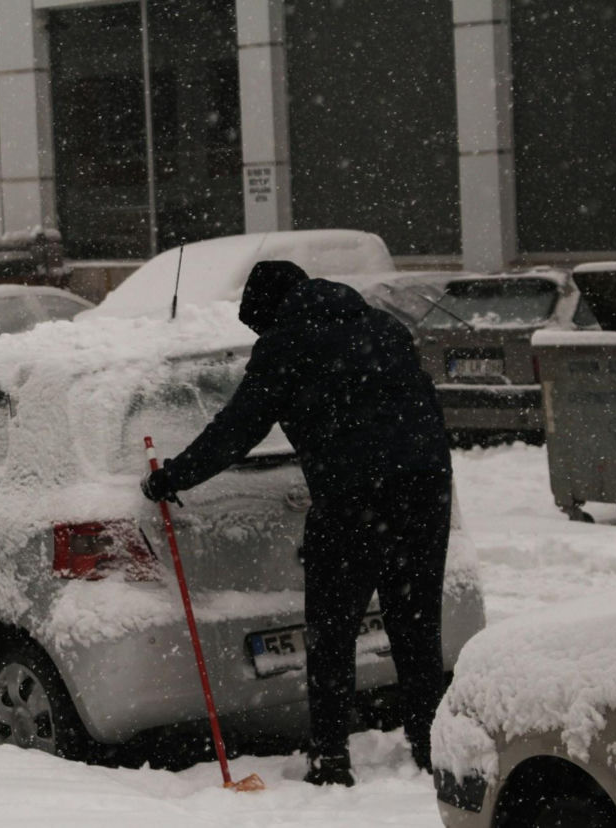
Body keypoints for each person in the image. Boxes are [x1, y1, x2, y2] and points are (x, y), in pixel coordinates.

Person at [141, 260, 452, 787]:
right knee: (416, 629)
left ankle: (330, 758)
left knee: (331, 634)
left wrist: (174, 477)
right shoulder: (383, 326)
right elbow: (421, 405)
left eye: (258, 325)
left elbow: (238, 428)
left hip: (353, 501)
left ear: (269, 311)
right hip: (426, 489)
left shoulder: (287, 344)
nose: (262, 334)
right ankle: (430, 747)